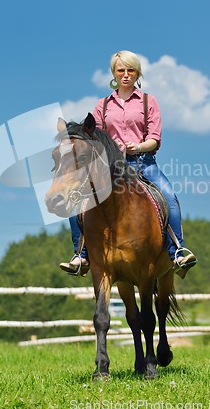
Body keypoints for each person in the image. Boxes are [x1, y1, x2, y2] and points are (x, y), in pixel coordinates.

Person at [60, 50, 197, 279]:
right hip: (110, 168)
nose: (125, 75)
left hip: (144, 162)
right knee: (77, 201)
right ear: (114, 73)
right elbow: (96, 139)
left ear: (137, 73)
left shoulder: (148, 101)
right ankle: (81, 255)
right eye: (120, 70)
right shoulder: (102, 105)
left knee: (169, 197)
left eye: (130, 70)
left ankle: (177, 251)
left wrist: (139, 146)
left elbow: (155, 138)